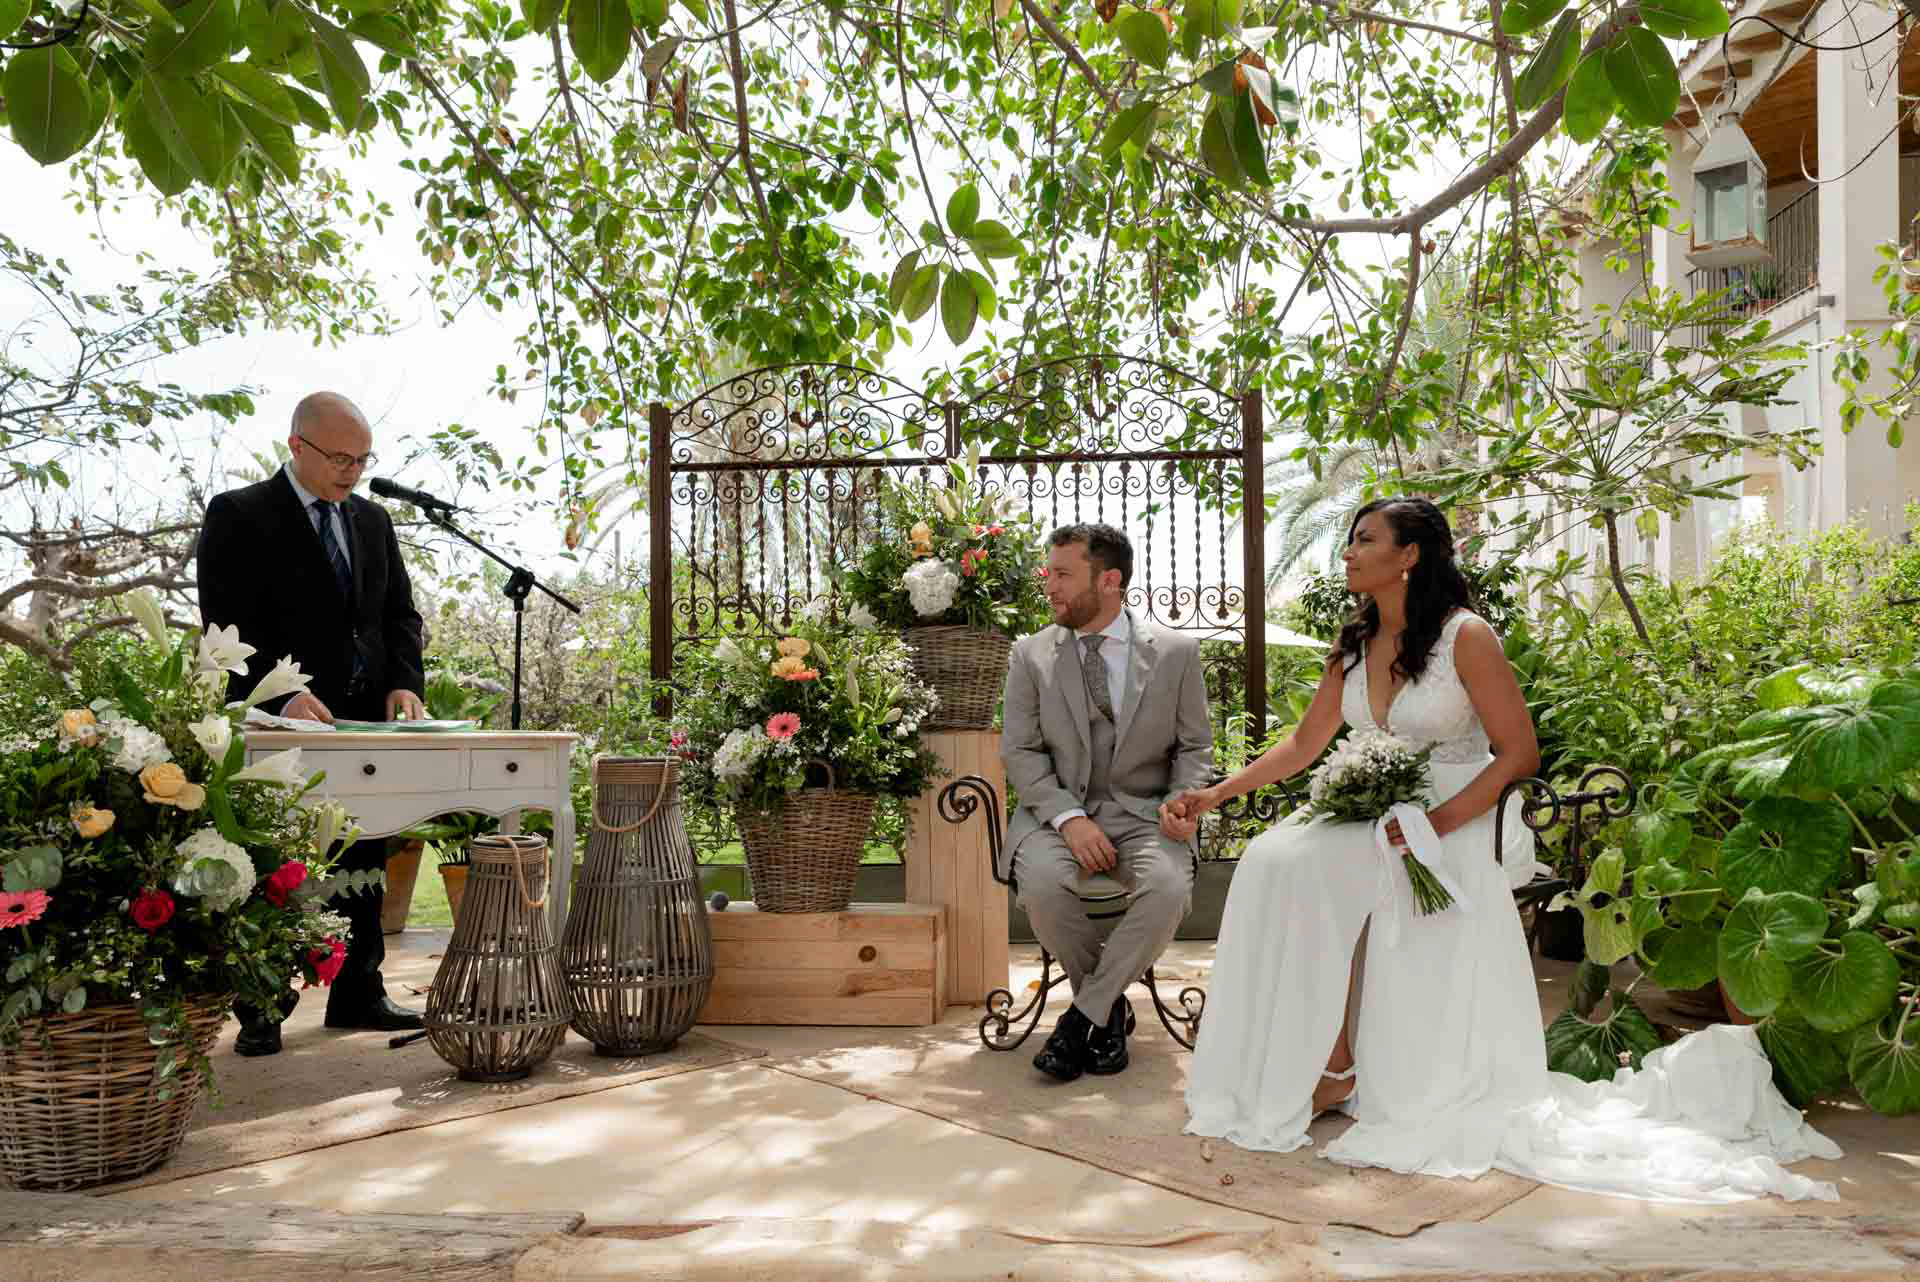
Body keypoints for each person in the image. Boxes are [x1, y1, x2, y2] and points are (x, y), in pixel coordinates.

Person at [1171, 497, 1840, 1203]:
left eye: (1364, 540)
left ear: (1410, 555)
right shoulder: (1352, 645)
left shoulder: (1467, 637)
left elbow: (1519, 752)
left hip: (1465, 809)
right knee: (1277, 861)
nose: (1347, 553)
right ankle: (1326, 1062)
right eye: (1349, 541)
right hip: (1381, 808)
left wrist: (1437, 818)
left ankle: (1360, 1069)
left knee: (1364, 873)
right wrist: (1217, 794)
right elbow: (1306, 746)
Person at [197, 391, 429, 1056]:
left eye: (362, 459)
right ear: (296, 446)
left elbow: (399, 618)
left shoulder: (374, 522)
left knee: (365, 850)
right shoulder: (240, 514)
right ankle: (261, 1007)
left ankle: (359, 992)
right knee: (270, 863)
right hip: (274, 724)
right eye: (339, 458)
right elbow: (225, 626)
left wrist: (403, 687)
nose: (352, 471)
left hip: (361, 724)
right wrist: (279, 694)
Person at [1000, 522, 1213, 1081]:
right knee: (1043, 887)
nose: (1050, 585)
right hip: (1055, 817)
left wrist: (1181, 800)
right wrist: (1069, 819)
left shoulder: (1176, 653)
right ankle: (1109, 1009)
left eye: (1064, 574)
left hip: (1145, 817)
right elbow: (1020, 752)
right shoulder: (1030, 654)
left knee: (1167, 889)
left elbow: (1195, 746)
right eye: (1050, 573)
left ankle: (1081, 1017)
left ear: (1110, 580)